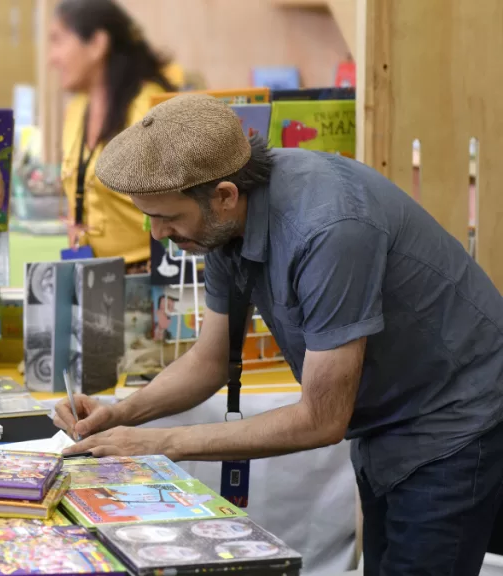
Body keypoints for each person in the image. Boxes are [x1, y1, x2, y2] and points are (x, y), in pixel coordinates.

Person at [52, 94, 503, 576]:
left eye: (169, 218)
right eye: (149, 217)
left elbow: (320, 420)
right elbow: (210, 361)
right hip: (388, 421)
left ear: (224, 194)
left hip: (454, 418)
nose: (159, 233)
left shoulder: (329, 228)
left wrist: (158, 443)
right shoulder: (221, 223)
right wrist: (118, 414)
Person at [49, 0, 183, 273]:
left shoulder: (150, 109)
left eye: (58, 41)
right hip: (90, 272)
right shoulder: (76, 110)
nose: (52, 58)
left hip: (151, 277)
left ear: (97, 44)